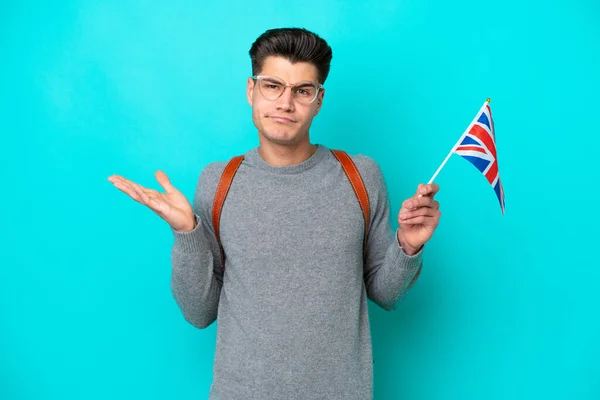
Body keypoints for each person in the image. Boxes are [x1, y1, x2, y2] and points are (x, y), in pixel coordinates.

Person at [108, 27, 441, 400]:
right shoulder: (219, 182)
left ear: (319, 100)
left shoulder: (360, 176)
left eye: (302, 91)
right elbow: (199, 313)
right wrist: (187, 232)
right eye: (272, 86)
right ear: (251, 90)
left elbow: (385, 294)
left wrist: (407, 247)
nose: (286, 103)